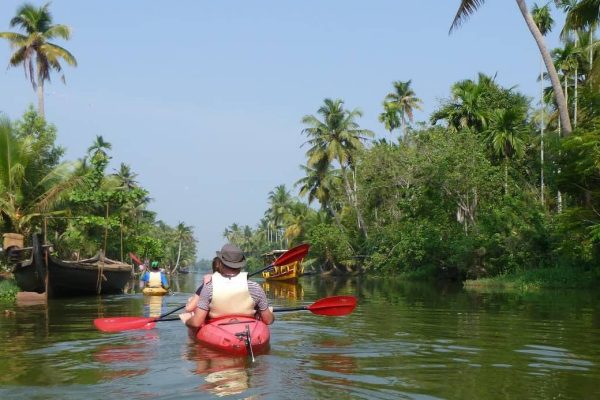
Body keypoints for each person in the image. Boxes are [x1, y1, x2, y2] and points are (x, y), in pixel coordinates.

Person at [180, 243, 274, 329]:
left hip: (217, 328)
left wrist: (188, 320)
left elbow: (196, 323)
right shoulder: (255, 287)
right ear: (241, 265)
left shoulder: (209, 288)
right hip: (248, 327)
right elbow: (268, 320)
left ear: (220, 263)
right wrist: (271, 315)